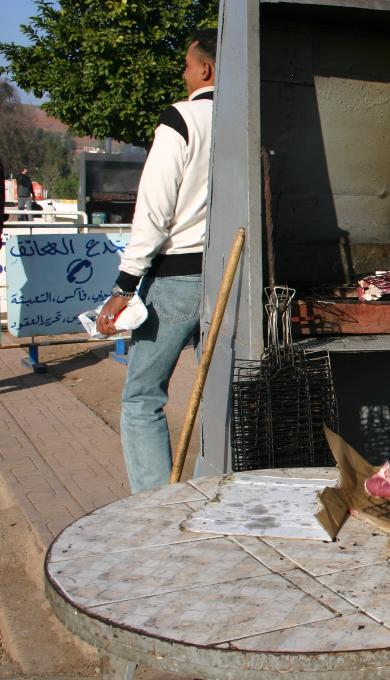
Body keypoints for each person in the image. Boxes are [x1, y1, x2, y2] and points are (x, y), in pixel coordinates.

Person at [95, 29, 217, 493]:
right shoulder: (250, 120)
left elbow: (153, 209)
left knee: (142, 398)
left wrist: (124, 287)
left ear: (205, 68)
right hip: (231, 277)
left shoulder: (181, 118)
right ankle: (215, 492)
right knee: (222, 399)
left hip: (177, 281)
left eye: (186, 66)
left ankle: (154, 505)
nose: (183, 74)